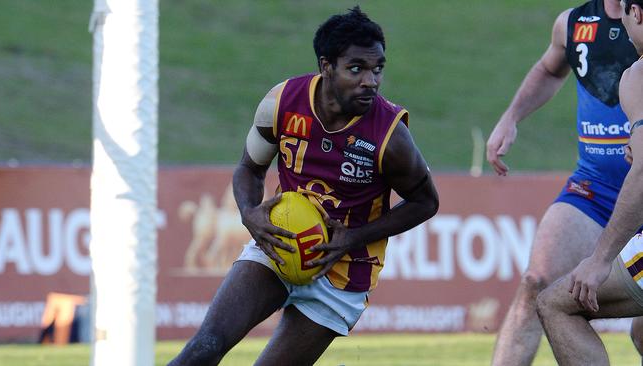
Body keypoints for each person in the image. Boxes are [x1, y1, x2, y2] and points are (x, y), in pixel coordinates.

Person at [167, 6, 439, 366]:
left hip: (342, 272)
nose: (370, 81)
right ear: (326, 67)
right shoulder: (281, 103)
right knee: (203, 348)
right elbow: (249, 169)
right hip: (278, 245)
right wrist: (249, 213)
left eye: (378, 69)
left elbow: (426, 202)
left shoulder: (391, 137)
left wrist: (355, 237)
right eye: (356, 68)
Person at [485, 0, 639, 364]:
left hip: (640, 187)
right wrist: (511, 117)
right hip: (594, 187)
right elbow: (550, 71)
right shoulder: (573, 23)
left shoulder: (640, 21)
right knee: (536, 281)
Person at [535, 1, 643, 363]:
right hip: (592, 191)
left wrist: (600, 259)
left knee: (555, 305)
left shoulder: (637, 76)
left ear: (635, 14)